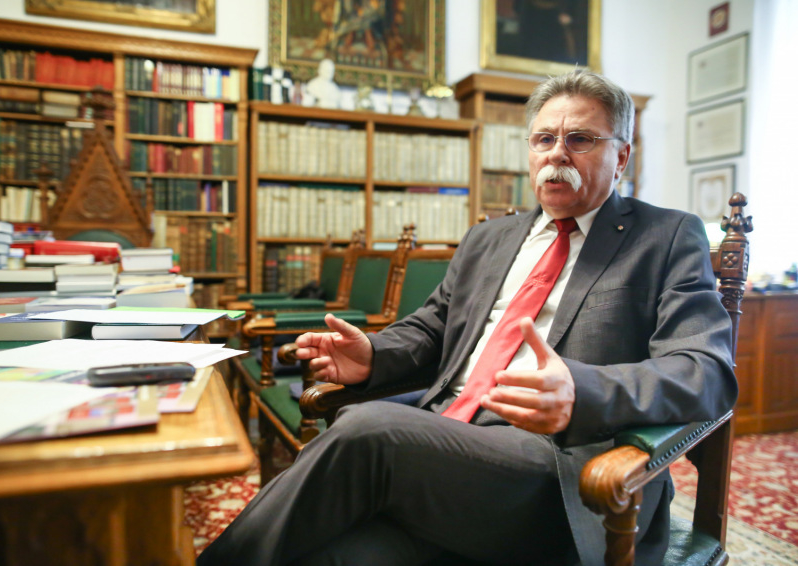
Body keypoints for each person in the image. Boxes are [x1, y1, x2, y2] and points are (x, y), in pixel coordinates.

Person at [198, 70, 738, 566]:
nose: (557, 153)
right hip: (447, 449)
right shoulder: (489, 238)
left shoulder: (665, 237)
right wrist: (374, 354)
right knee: (341, 554)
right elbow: (432, 327)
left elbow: (705, 372)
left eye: (580, 139)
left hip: (558, 471)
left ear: (621, 157)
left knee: (364, 427)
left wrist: (582, 390)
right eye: (543, 139)